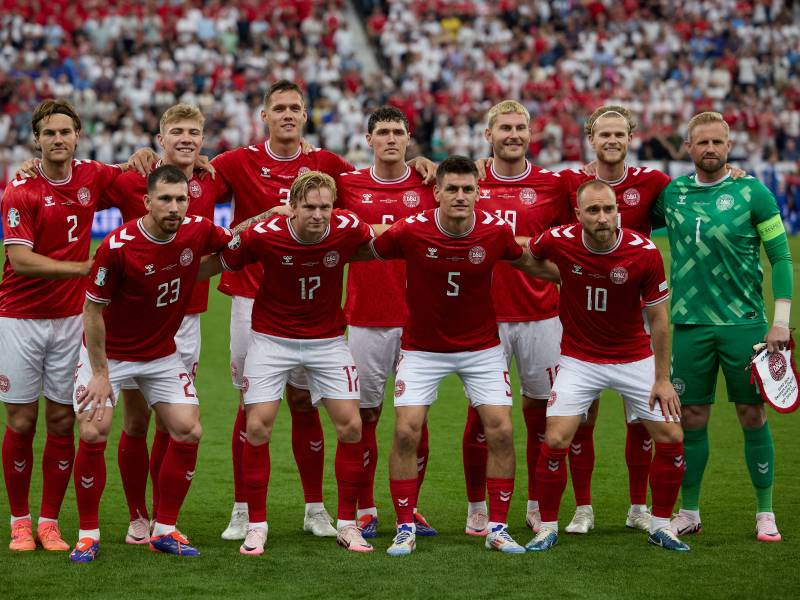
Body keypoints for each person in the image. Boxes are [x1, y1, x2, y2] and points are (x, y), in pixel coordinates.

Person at [370, 156, 557, 556]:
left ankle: (498, 527)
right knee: (406, 430)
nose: (459, 196)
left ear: (478, 192)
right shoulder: (410, 230)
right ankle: (404, 526)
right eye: (451, 189)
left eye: (467, 189)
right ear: (436, 192)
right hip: (421, 348)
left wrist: (581, 273)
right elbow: (364, 249)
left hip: (480, 348)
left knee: (501, 430)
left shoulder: (494, 232)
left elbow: (531, 264)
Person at [69, 165, 233, 562]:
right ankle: (88, 534)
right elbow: (92, 312)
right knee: (94, 431)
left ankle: (165, 528)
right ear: (146, 201)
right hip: (110, 355)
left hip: (161, 354)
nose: (174, 207)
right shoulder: (117, 246)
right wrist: (102, 374)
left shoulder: (198, 229)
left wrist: (276, 217)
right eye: (165, 199)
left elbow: (235, 246)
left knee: (188, 430)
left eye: (181, 199)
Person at [210, 171, 375, 555]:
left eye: (325, 207)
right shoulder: (266, 233)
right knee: (257, 427)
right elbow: (227, 255)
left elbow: (376, 243)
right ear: (293, 207)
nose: (318, 215)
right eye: (310, 207)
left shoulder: (348, 227)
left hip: (328, 341)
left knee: (352, 426)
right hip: (271, 340)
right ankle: (256, 524)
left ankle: (348, 525)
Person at [525, 179, 689, 553]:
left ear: (618, 210)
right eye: (594, 211)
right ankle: (547, 527)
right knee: (555, 439)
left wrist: (662, 379)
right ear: (579, 213)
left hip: (635, 358)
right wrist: (559, 275)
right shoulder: (559, 239)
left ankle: (662, 525)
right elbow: (530, 255)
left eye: (609, 209)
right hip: (579, 359)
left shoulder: (644, 251)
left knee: (672, 438)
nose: (603, 218)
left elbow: (660, 319)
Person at [652, 111, 793, 542]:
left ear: (729, 146)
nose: (710, 149)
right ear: (689, 148)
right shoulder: (673, 193)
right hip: (690, 324)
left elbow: (781, 257)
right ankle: (689, 511)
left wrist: (781, 321)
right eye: (702, 142)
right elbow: (631, 212)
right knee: (691, 418)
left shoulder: (753, 192)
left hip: (745, 324)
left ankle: (765, 512)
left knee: (752, 414)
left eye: (718, 142)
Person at [97, 103, 234, 545]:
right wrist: (125, 157)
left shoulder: (212, 178)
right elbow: (80, 184)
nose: (186, 139)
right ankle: (138, 515)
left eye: (194, 132)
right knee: (136, 422)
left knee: (173, 423)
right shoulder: (134, 179)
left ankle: (163, 517)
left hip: (187, 319)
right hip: (136, 319)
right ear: (161, 138)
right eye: (176, 131)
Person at [0, 99, 122, 552]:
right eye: (49, 133)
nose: (58, 139)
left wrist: (155, 157)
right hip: (19, 319)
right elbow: (20, 259)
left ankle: (49, 523)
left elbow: (135, 174)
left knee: (59, 420)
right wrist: (83, 269)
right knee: (21, 420)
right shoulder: (21, 188)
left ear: (77, 136)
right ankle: (19, 521)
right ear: (36, 139)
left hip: (73, 321)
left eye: (65, 132)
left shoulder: (92, 174)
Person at [556, 105, 672, 533]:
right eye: (604, 134)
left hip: (636, 316)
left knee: (642, 420)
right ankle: (582, 508)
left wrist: (731, 171)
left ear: (630, 137)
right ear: (591, 136)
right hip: (583, 315)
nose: (612, 140)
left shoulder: (653, 182)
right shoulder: (569, 183)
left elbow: (694, 195)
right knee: (582, 418)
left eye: (619, 134)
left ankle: (638, 508)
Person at [461, 100, 570, 536]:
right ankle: (476, 508)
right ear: (489, 134)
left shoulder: (552, 185)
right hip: (482, 317)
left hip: (541, 315)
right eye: (504, 127)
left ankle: (535, 504)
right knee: (481, 417)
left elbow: (570, 241)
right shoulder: (467, 180)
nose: (513, 135)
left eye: (520, 128)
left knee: (541, 414)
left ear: (530, 134)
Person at [336, 106, 437, 538]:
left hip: (421, 319)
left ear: (409, 139)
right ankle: (365, 507)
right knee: (365, 416)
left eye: (398, 132)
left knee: (417, 419)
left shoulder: (428, 183)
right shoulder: (348, 185)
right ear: (369, 139)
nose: (391, 139)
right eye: (383, 132)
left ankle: (410, 508)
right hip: (367, 317)